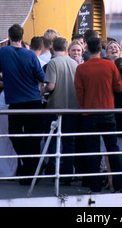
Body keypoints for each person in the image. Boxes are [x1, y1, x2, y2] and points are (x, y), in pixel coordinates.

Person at [0, 23, 45, 184]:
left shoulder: (3, 52)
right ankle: (32, 171)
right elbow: (41, 76)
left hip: (15, 102)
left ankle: (28, 168)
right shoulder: (31, 54)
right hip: (34, 101)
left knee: (14, 133)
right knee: (33, 138)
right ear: (22, 37)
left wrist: (4, 75)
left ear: (9, 36)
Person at [74, 36, 122, 193]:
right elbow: (118, 88)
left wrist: (85, 105)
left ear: (87, 49)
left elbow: (79, 92)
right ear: (100, 49)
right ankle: (121, 183)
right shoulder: (110, 66)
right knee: (113, 148)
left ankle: (95, 186)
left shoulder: (81, 69)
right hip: (108, 112)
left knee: (92, 151)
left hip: (89, 113)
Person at [43, 37, 79, 183]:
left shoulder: (52, 63)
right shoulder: (74, 63)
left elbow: (51, 86)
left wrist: (42, 89)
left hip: (56, 107)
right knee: (69, 141)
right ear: (66, 49)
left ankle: (54, 171)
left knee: (53, 141)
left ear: (52, 47)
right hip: (72, 107)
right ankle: (68, 172)